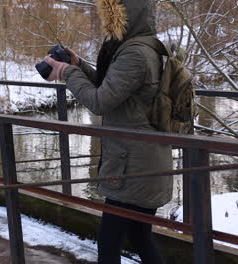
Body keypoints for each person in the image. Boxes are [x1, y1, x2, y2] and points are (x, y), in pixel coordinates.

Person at [43, 0, 173, 263]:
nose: (107, 21)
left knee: (109, 242)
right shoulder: (143, 47)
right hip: (143, 162)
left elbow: (99, 101)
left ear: (124, 15)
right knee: (139, 237)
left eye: (111, 15)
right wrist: (78, 64)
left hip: (133, 168)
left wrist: (67, 72)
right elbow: (111, 89)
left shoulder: (134, 53)